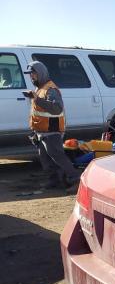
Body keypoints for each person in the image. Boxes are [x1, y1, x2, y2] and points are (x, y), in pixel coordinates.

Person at [23, 61, 79, 190]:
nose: (31, 76)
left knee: (58, 156)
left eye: (33, 73)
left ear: (40, 73)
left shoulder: (51, 89)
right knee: (46, 159)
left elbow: (57, 109)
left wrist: (37, 99)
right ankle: (54, 181)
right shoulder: (40, 88)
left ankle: (76, 180)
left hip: (51, 130)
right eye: (30, 74)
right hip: (41, 131)